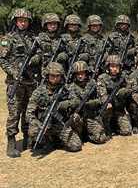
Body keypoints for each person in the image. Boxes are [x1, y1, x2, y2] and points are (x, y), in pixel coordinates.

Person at [1, 9, 38, 157]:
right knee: (14, 112)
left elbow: (39, 54)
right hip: (15, 82)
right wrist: (13, 72)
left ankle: (28, 139)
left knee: (28, 110)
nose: (23, 23)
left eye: (25, 20)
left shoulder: (32, 38)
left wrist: (35, 59)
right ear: (15, 21)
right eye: (20, 20)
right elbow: (2, 60)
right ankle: (11, 142)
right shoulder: (7, 38)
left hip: (30, 81)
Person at [26, 62, 82, 153]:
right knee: (33, 131)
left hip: (60, 124)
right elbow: (29, 114)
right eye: (52, 76)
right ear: (47, 75)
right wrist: (39, 125)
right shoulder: (39, 91)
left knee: (76, 146)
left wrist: (65, 104)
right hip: (44, 125)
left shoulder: (66, 89)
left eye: (58, 76)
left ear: (61, 76)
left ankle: (57, 140)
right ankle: (48, 141)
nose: (55, 79)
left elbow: (77, 101)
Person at [67, 61, 109, 144]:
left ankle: (90, 134)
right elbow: (72, 102)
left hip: (91, 115)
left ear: (86, 73)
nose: (80, 76)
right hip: (80, 117)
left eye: (82, 73)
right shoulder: (71, 87)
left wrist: (93, 102)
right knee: (74, 118)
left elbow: (102, 98)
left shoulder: (93, 83)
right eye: (77, 73)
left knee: (101, 139)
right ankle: (80, 135)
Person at [96, 55, 133, 136]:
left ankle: (117, 127)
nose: (115, 69)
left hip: (119, 107)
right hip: (108, 107)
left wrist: (123, 92)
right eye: (112, 66)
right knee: (107, 109)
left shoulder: (123, 76)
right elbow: (102, 93)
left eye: (117, 66)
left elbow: (130, 87)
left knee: (127, 131)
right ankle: (107, 126)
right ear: (108, 67)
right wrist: (106, 102)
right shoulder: (102, 78)